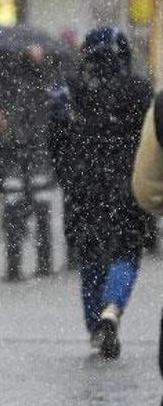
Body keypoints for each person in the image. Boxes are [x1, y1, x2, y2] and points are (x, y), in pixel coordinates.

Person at [47, 26, 153, 359]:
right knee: (127, 250)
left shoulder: (72, 89)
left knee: (90, 255)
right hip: (127, 183)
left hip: (84, 186)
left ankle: (95, 326)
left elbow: (56, 141)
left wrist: (67, 176)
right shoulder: (139, 90)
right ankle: (113, 307)